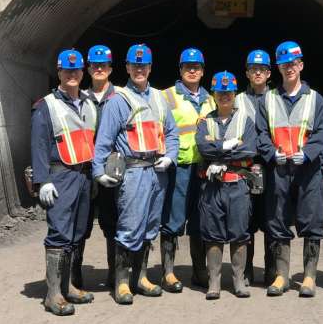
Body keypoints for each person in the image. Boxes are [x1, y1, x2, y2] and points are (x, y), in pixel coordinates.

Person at [92, 43, 179, 304]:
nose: (139, 70)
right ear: (127, 68)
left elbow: (172, 133)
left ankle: (141, 278)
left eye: (144, 66)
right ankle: (121, 283)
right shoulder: (119, 101)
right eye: (134, 66)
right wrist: (98, 171)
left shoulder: (160, 99)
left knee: (150, 227)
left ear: (150, 68)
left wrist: (170, 157)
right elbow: (104, 141)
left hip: (156, 172)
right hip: (132, 173)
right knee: (130, 227)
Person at [256, 41, 323, 297]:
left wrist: (307, 154)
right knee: (277, 220)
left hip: (307, 170)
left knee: (311, 221)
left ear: (301, 65)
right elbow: (261, 132)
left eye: (293, 64)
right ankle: (281, 276)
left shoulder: (315, 99)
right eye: (284, 64)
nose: (289, 68)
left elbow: (322, 133)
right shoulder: (268, 98)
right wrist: (270, 152)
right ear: (278, 67)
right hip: (279, 168)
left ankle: (309, 277)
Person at [31, 49, 95, 316]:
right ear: (59, 73)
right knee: (59, 233)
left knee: (77, 233)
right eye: (66, 71)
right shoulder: (46, 105)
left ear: (82, 73)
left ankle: (68, 285)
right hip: (60, 176)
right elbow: (39, 144)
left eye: (76, 70)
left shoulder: (89, 103)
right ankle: (53, 294)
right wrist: (42, 180)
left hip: (83, 176)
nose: (72, 74)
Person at [196, 71, 257, 300]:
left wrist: (218, 148)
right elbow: (203, 148)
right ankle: (214, 282)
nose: (225, 97)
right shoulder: (205, 122)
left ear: (234, 94)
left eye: (229, 93)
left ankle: (238, 281)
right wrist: (230, 145)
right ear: (214, 94)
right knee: (213, 234)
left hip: (238, 184)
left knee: (240, 232)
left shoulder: (245, 120)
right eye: (220, 93)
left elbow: (250, 149)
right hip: (213, 186)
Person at [160, 48, 215, 292]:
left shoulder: (211, 99)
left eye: (196, 67)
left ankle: (199, 271)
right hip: (178, 167)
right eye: (187, 67)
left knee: (200, 220)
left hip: (203, 168)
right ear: (180, 70)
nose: (192, 71)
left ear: (203, 71)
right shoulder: (166, 96)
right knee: (172, 219)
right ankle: (168, 273)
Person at [71, 45, 119, 289]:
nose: (99, 69)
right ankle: (75, 275)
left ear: (111, 68)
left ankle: (115, 273)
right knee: (82, 221)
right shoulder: (79, 98)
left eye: (104, 65)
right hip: (86, 170)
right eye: (94, 66)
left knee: (113, 221)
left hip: (112, 170)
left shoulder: (121, 96)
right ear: (88, 69)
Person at [235, 49, 273, 286]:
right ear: (247, 73)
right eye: (253, 69)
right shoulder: (237, 99)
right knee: (245, 219)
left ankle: (272, 272)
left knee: (272, 218)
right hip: (245, 165)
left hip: (271, 165)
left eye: (261, 69)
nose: (257, 73)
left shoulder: (278, 98)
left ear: (269, 73)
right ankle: (245, 272)